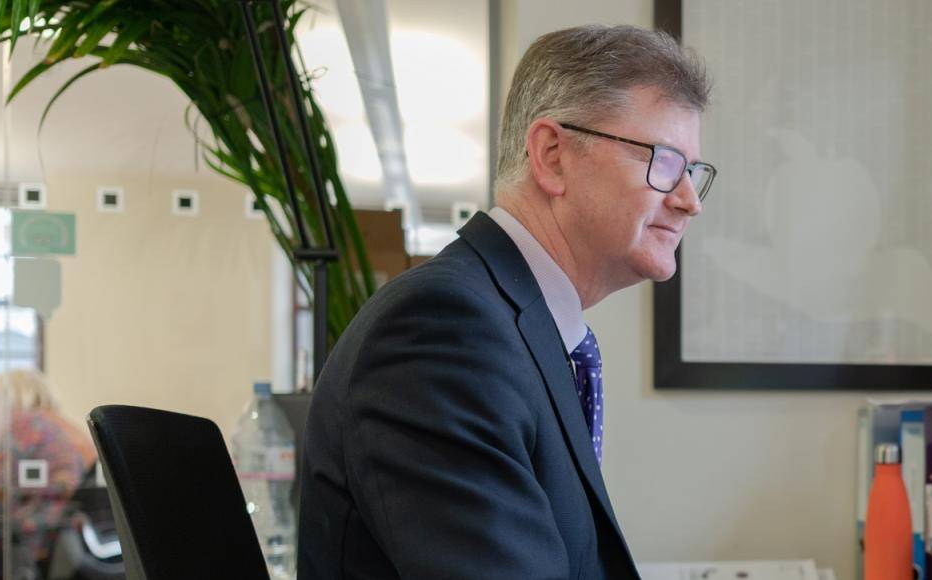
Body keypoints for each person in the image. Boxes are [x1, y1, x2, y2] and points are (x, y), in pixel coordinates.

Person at [297, 24, 713, 579]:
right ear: (552, 156)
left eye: (692, 172)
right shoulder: (444, 330)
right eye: (663, 162)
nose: (689, 201)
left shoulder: (513, 327)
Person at [0, 369, 99, 580]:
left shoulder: (26, 425)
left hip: (34, 537)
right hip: (67, 533)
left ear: (10, 399)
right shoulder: (62, 424)